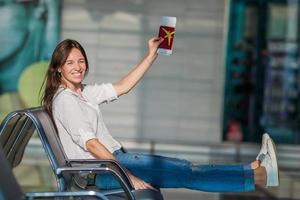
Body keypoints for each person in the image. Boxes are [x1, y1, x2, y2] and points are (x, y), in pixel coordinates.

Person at [41, 37, 279, 192]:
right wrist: (128, 177)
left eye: (81, 61)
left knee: (187, 169)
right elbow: (91, 145)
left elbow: (123, 86)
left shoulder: (83, 93)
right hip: (106, 170)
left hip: (112, 163)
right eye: (70, 62)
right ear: (59, 67)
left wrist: (151, 55)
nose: (78, 66)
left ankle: (251, 170)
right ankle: (258, 176)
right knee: (188, 172)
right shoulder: (66, 101)